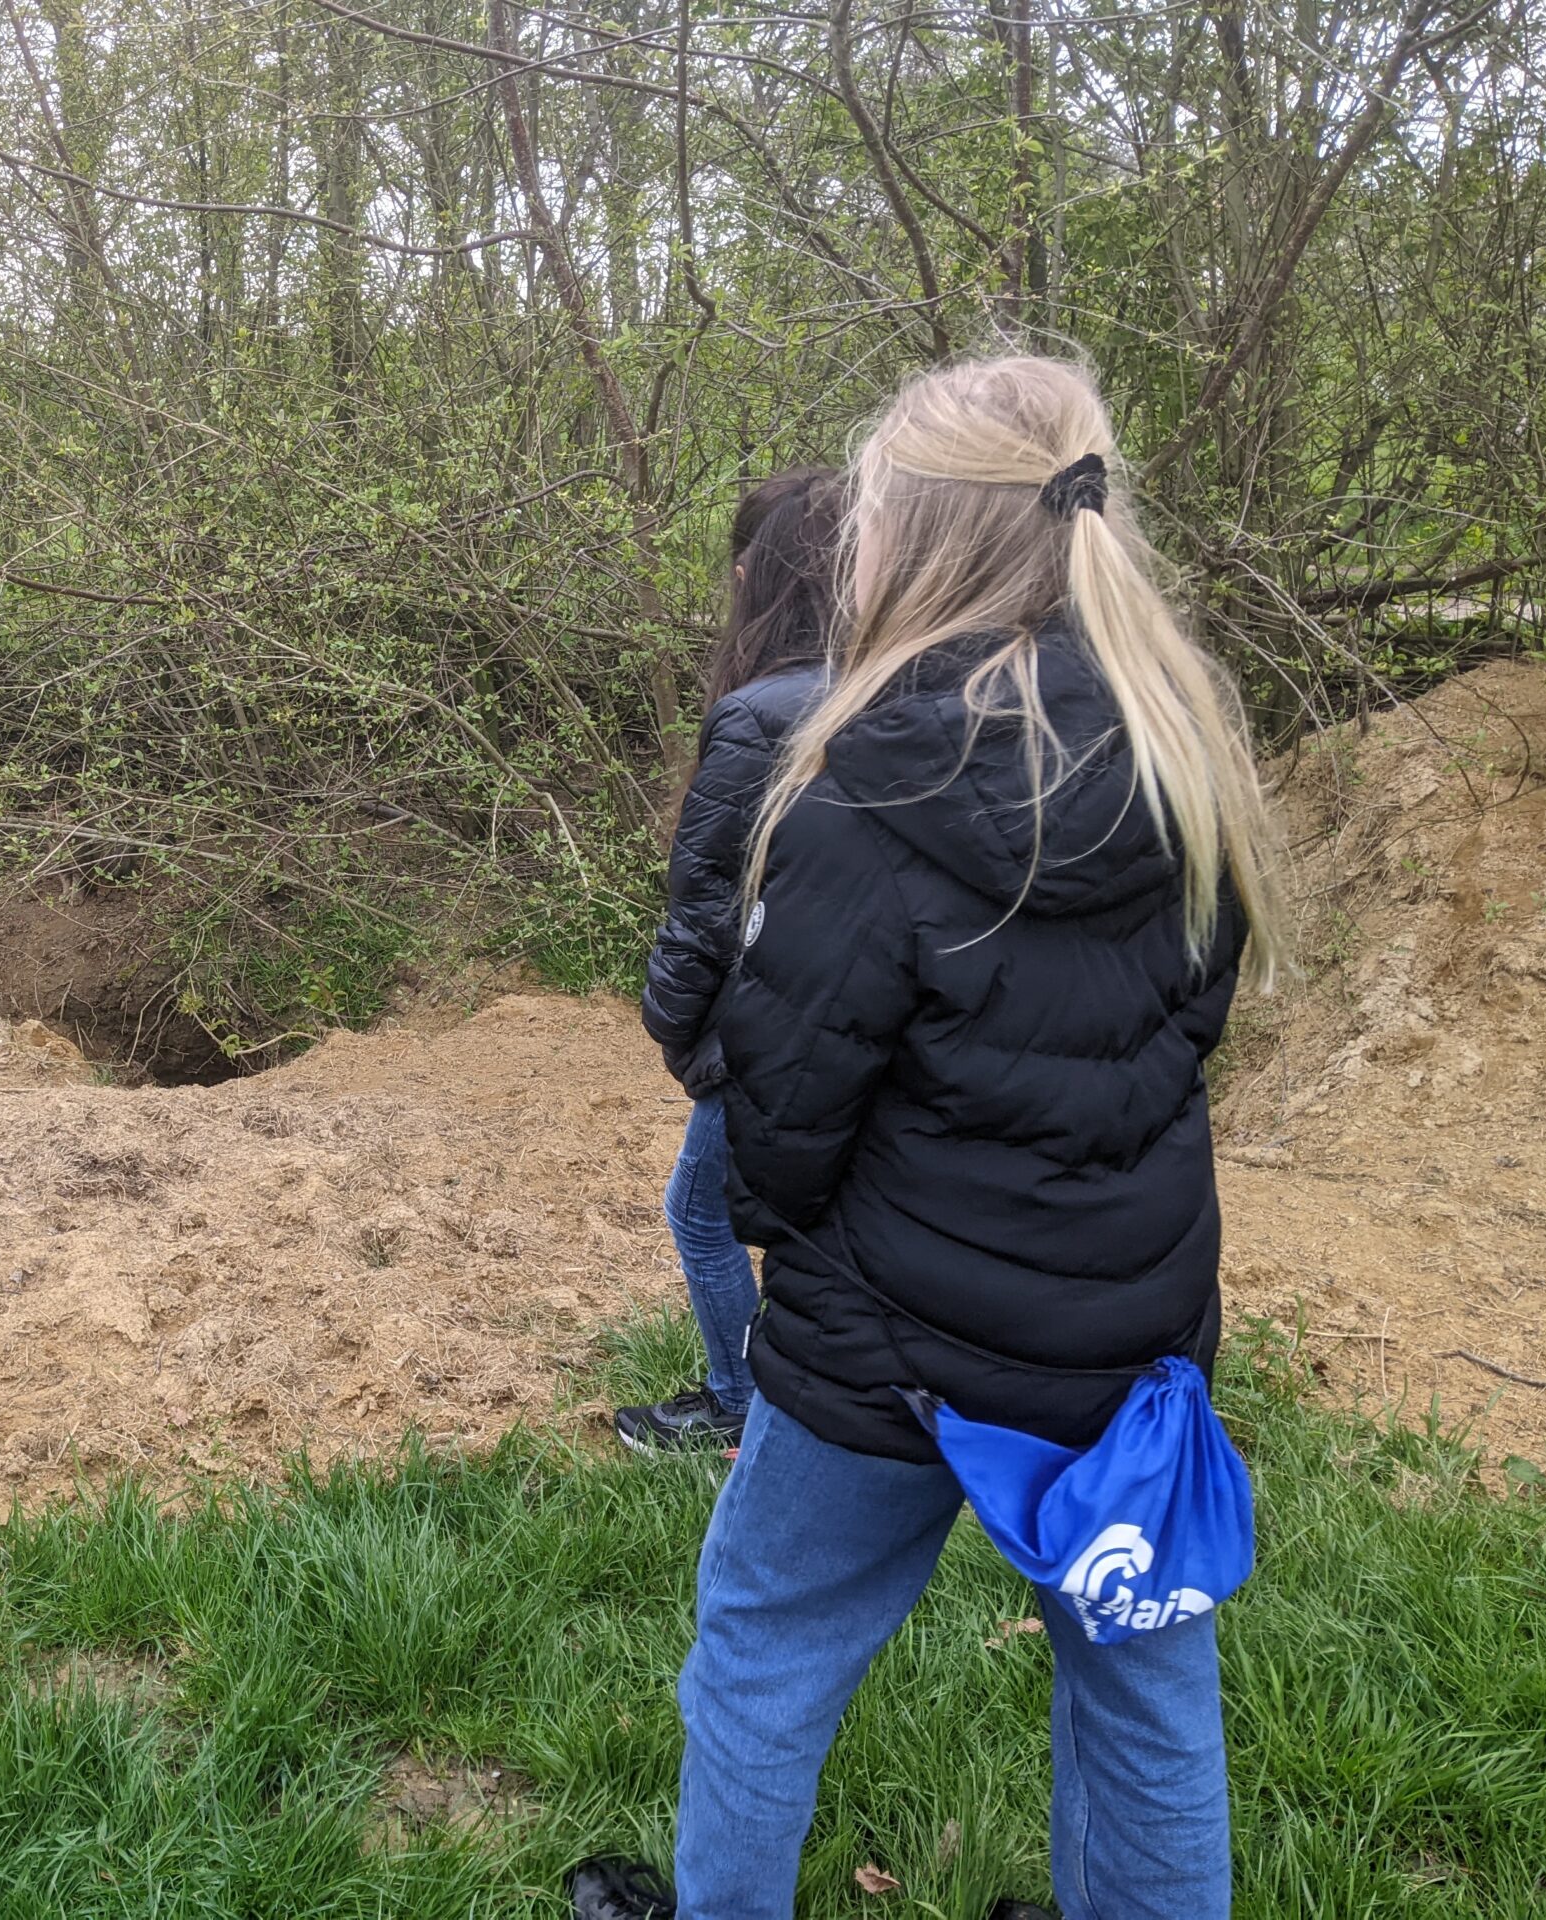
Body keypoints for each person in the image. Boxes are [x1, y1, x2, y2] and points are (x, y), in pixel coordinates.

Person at [573, 356, 1284, 1920]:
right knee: (1146, 1700)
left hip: (884, 1335)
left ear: (911, 539)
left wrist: (786, 1239)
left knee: (762, 1647)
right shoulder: (1190, 752)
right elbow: (1187, 1032)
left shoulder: (861, 779)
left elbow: (782, 1103)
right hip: (1129, 1330)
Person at [620, 469, 842, 1456]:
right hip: (854, 1013)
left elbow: (704, 901)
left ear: (756, 575)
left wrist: (672, 1021)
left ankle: (736, 1402)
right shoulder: (893, 686)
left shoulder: (761, 713)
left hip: (770, 1019)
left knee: (698, 1213)